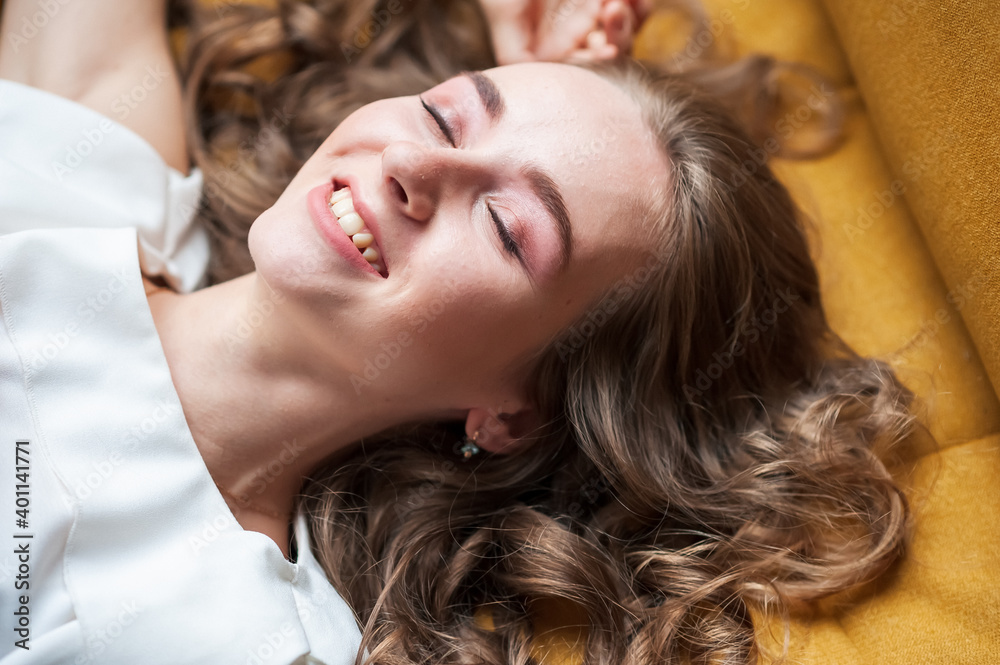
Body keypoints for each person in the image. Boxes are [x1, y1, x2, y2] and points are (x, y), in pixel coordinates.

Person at [0, 1, 914, 664]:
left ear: (515, 413)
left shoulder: (232, 635)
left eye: (508, 228)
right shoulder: (84, 174)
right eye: (448, 112)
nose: (411, 159)